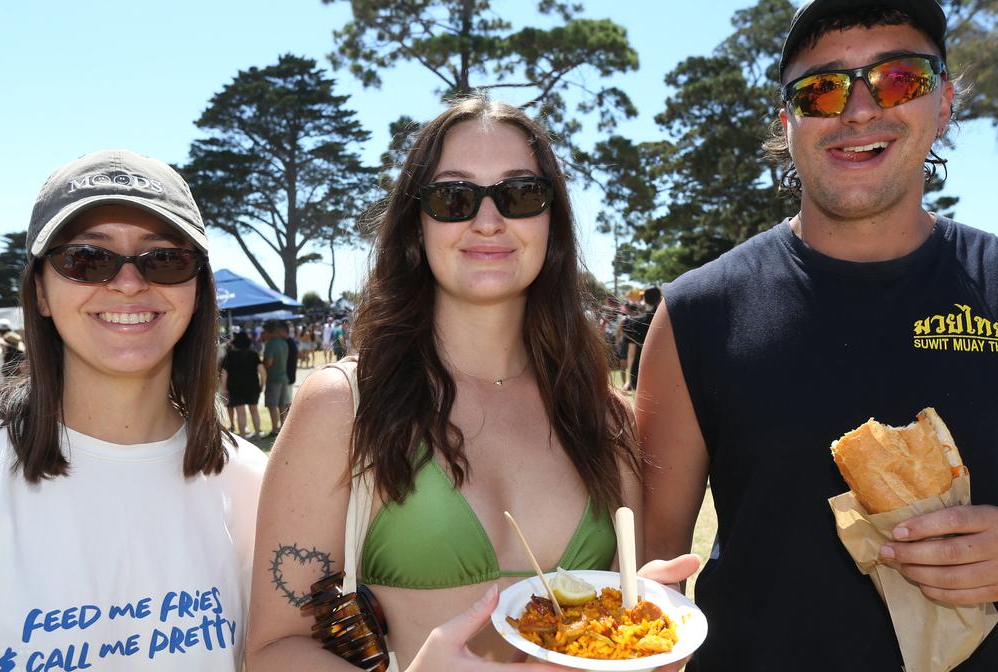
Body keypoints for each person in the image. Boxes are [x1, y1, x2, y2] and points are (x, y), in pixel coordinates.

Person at [638, 0, 998, 670]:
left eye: (899, 78)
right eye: (822, 90)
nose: (860, 109)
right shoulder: (696, 312)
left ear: (945, 103)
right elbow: (649, 565)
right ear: (787, 123)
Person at [245, 98, 696, 671]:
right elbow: (270, 651)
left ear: (550, 221)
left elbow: (633, 618)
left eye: (521, 194)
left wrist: (644, 622)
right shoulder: (344, 406)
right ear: (417, 224)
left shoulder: (604, 419)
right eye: (453, 198)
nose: (488, 221)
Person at [0, 149, 268, 669]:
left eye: (164, 258)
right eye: (87, 259)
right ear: (40, 293)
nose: (128, 283)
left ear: (199, 291)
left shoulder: (255, 484)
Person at [221, 330, 264, 439]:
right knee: (254, 410)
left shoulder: (230, 356)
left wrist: (224, 389)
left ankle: (243, 436)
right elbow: (262, 371)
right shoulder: (254, 355)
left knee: (240, 413)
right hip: (253, 387)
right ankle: (258, 433)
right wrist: (262, 384)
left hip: (235, 388)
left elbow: (224, 374)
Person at [622, 287, 660, 392]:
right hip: (662, 370)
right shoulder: (668, 321)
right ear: (659, 299)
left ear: (644, 299)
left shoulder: (633, 322)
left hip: (639, 372)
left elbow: (631, 354)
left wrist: (628, 381)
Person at [261, 320, 290, 436]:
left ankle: (274, 430)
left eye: (265, 332)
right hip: (284, 377)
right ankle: (283, 429)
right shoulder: (284, 343)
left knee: (272, 405)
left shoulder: (271, 344)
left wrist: (262, 363)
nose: (264, 335)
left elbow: (269, 363)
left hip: (274, 378)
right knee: (282, 405)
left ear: (269, 332)